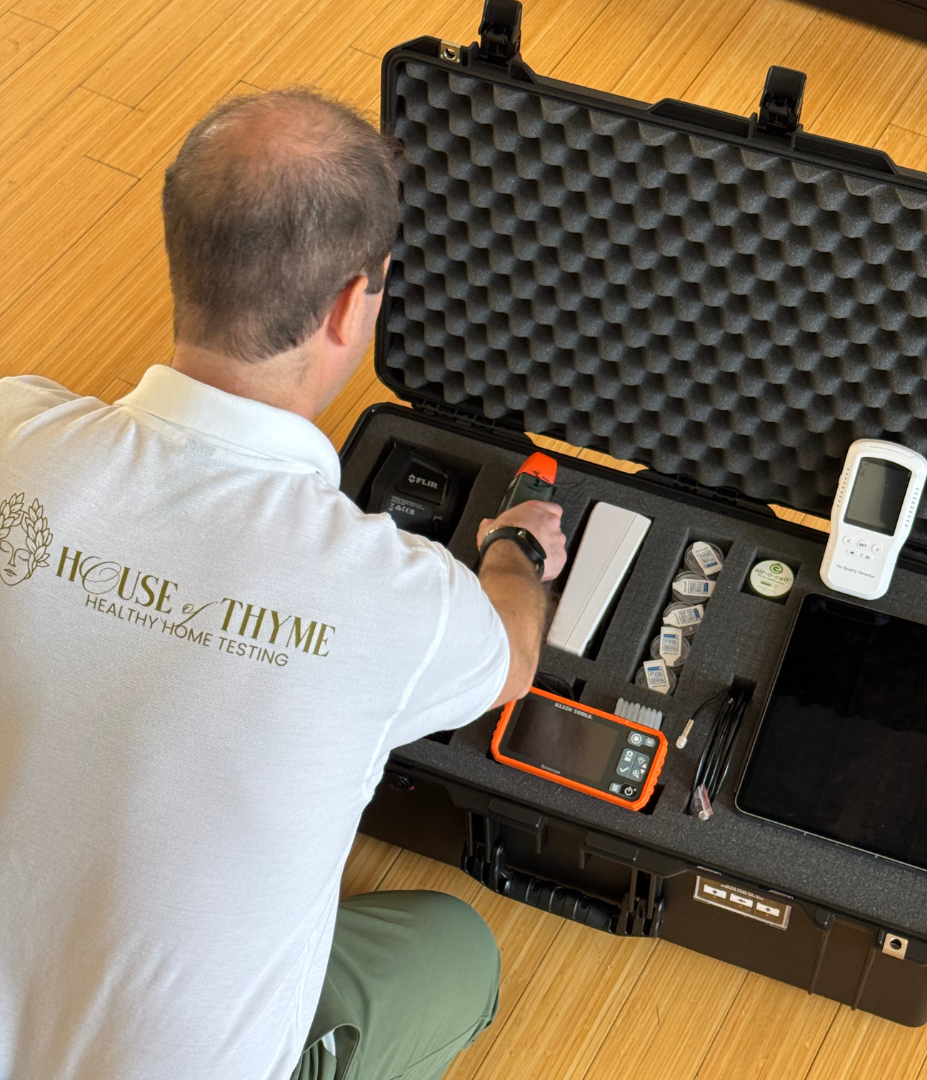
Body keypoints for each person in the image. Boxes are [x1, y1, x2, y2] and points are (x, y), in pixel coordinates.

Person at [0, 89, 567, 1080]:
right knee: (458, 951)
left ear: (182, 254)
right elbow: (511, 660)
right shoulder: (405, 601)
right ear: (353, 306)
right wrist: (516, 550)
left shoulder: (12, 430)